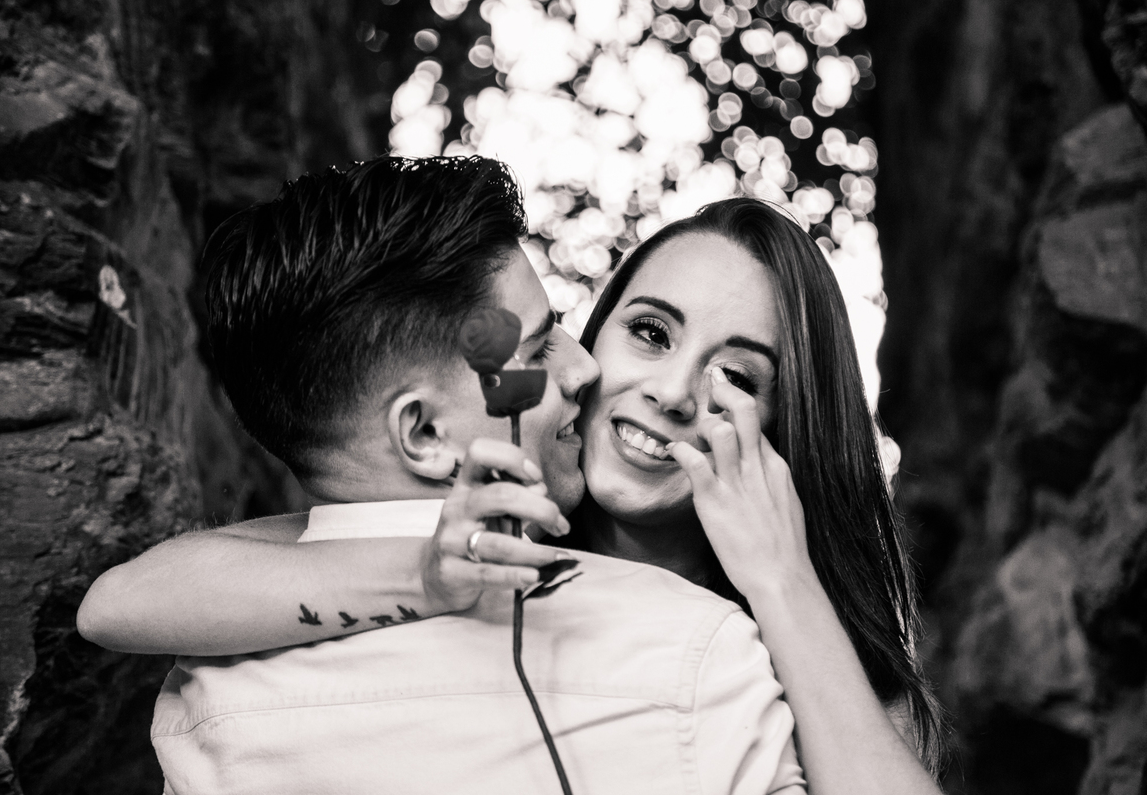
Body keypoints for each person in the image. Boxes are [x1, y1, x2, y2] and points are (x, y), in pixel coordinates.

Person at [79, 186, 948, 794]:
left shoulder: (808, 666)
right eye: (647, 334)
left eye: (738, 378)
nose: (677, 392)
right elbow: (127, 600)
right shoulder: (480, 530)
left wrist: (782, 579)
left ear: (788, 435)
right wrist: (429, 575)